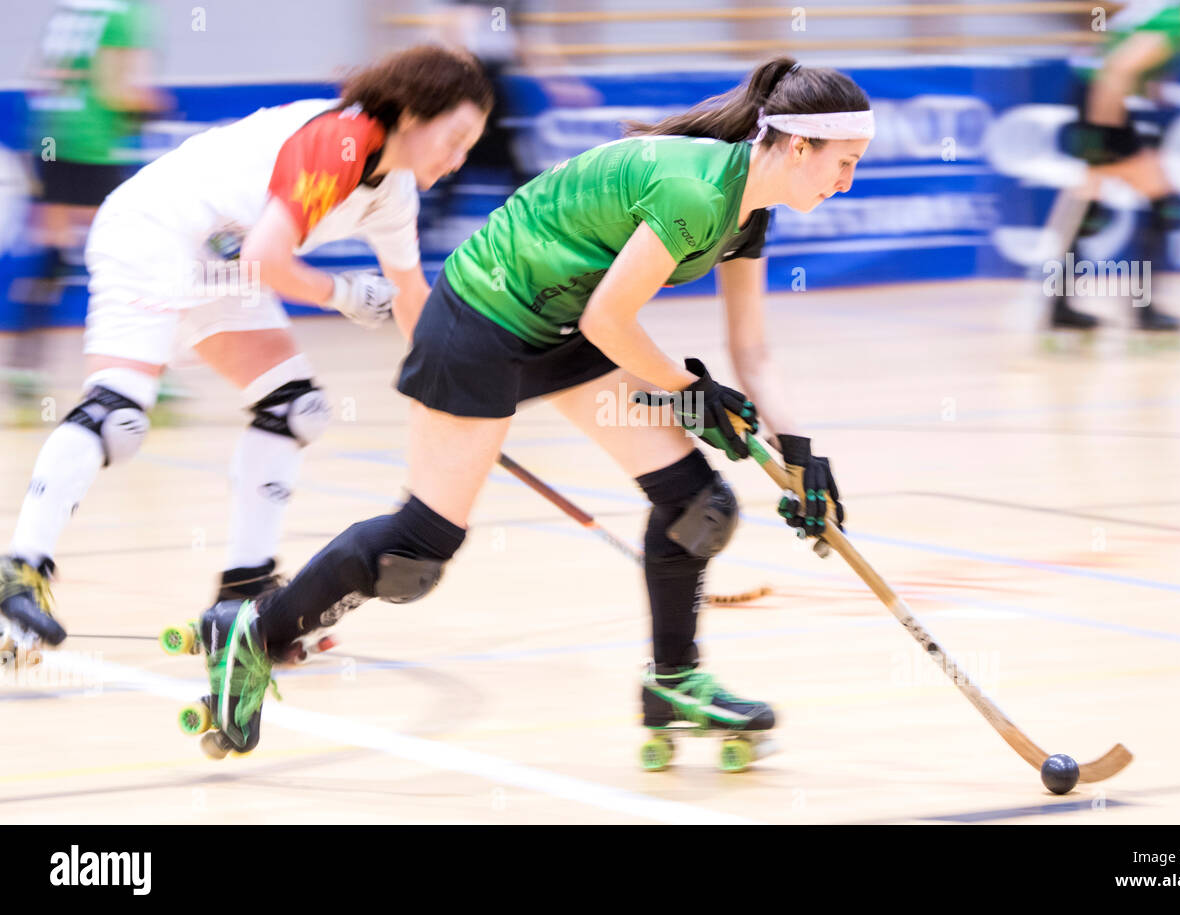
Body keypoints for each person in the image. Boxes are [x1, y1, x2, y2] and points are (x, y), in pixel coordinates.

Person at [185, 56, 872, 763]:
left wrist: (801, 455)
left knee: (700, 505)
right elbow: (613, 319)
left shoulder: (746, 212)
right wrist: (686, 390)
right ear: (798, 146)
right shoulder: (696, 191)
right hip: (484, 315)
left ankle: (673, 682)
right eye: (844, 162)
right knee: (416, 552)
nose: (848, 180)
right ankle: (256, 629)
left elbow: (750, 350)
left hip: (565, 326)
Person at [0, 46, 493, 662]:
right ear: (416, 115)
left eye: (471, 145)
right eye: (456, 137)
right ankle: (20, 572)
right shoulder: (341, 138)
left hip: (221, 260)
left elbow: (411, 295)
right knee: (118, 417)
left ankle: (244, 593)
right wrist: (340, 293)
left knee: (296, 409)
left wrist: (453, 395)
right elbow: (266, 258)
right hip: (154, 230)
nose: (459, 159)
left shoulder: (393, 193)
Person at [5, 0, 166, 407]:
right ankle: (149, 372)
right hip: (92, 147)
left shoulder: (71, 8)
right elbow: (116, 91)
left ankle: (24, 367)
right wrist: (153, 107)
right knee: (133, 256)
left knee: (52, 254)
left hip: (50, 137)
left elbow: (41, 74)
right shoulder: (123, 13)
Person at [1049, 0, 1180, 330]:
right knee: (1161, 204)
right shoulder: (1175, 20)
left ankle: (1059, 305)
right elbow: (1118, 68)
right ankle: (1144, 309)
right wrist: (1105, 133)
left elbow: (1121, 57)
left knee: (1088, 205)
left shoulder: (1169, 13)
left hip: (1093, 96)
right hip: (1101, 99)